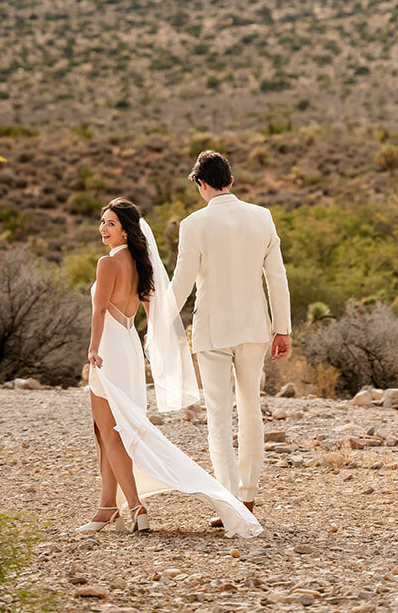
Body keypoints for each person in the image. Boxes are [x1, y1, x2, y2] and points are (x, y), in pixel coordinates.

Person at [78, 197, 261, 537]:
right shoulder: (141, 264)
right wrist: (150, 342)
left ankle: (135, 506)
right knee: (112, 431)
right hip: (129, 345)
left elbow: (99, 311)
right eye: (102, 222)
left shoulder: (108, 264)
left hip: (108, 347)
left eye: (111, 224)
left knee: (113, 432)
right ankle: (107, 507)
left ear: (126, 231)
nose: (103, 229)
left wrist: (92, 350)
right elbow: (154, 312)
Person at [170, 151, 291, 524]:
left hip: (212, 330)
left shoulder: (194, 224)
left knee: (219, 417)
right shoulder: (262, 217)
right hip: (255, 327)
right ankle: (248, 497)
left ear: (201, 185)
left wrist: (159, 323)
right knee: (251, 408)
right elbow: (277, 276)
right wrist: (282, 328)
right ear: (231, 181)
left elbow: (183, 283)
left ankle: (229, 504)